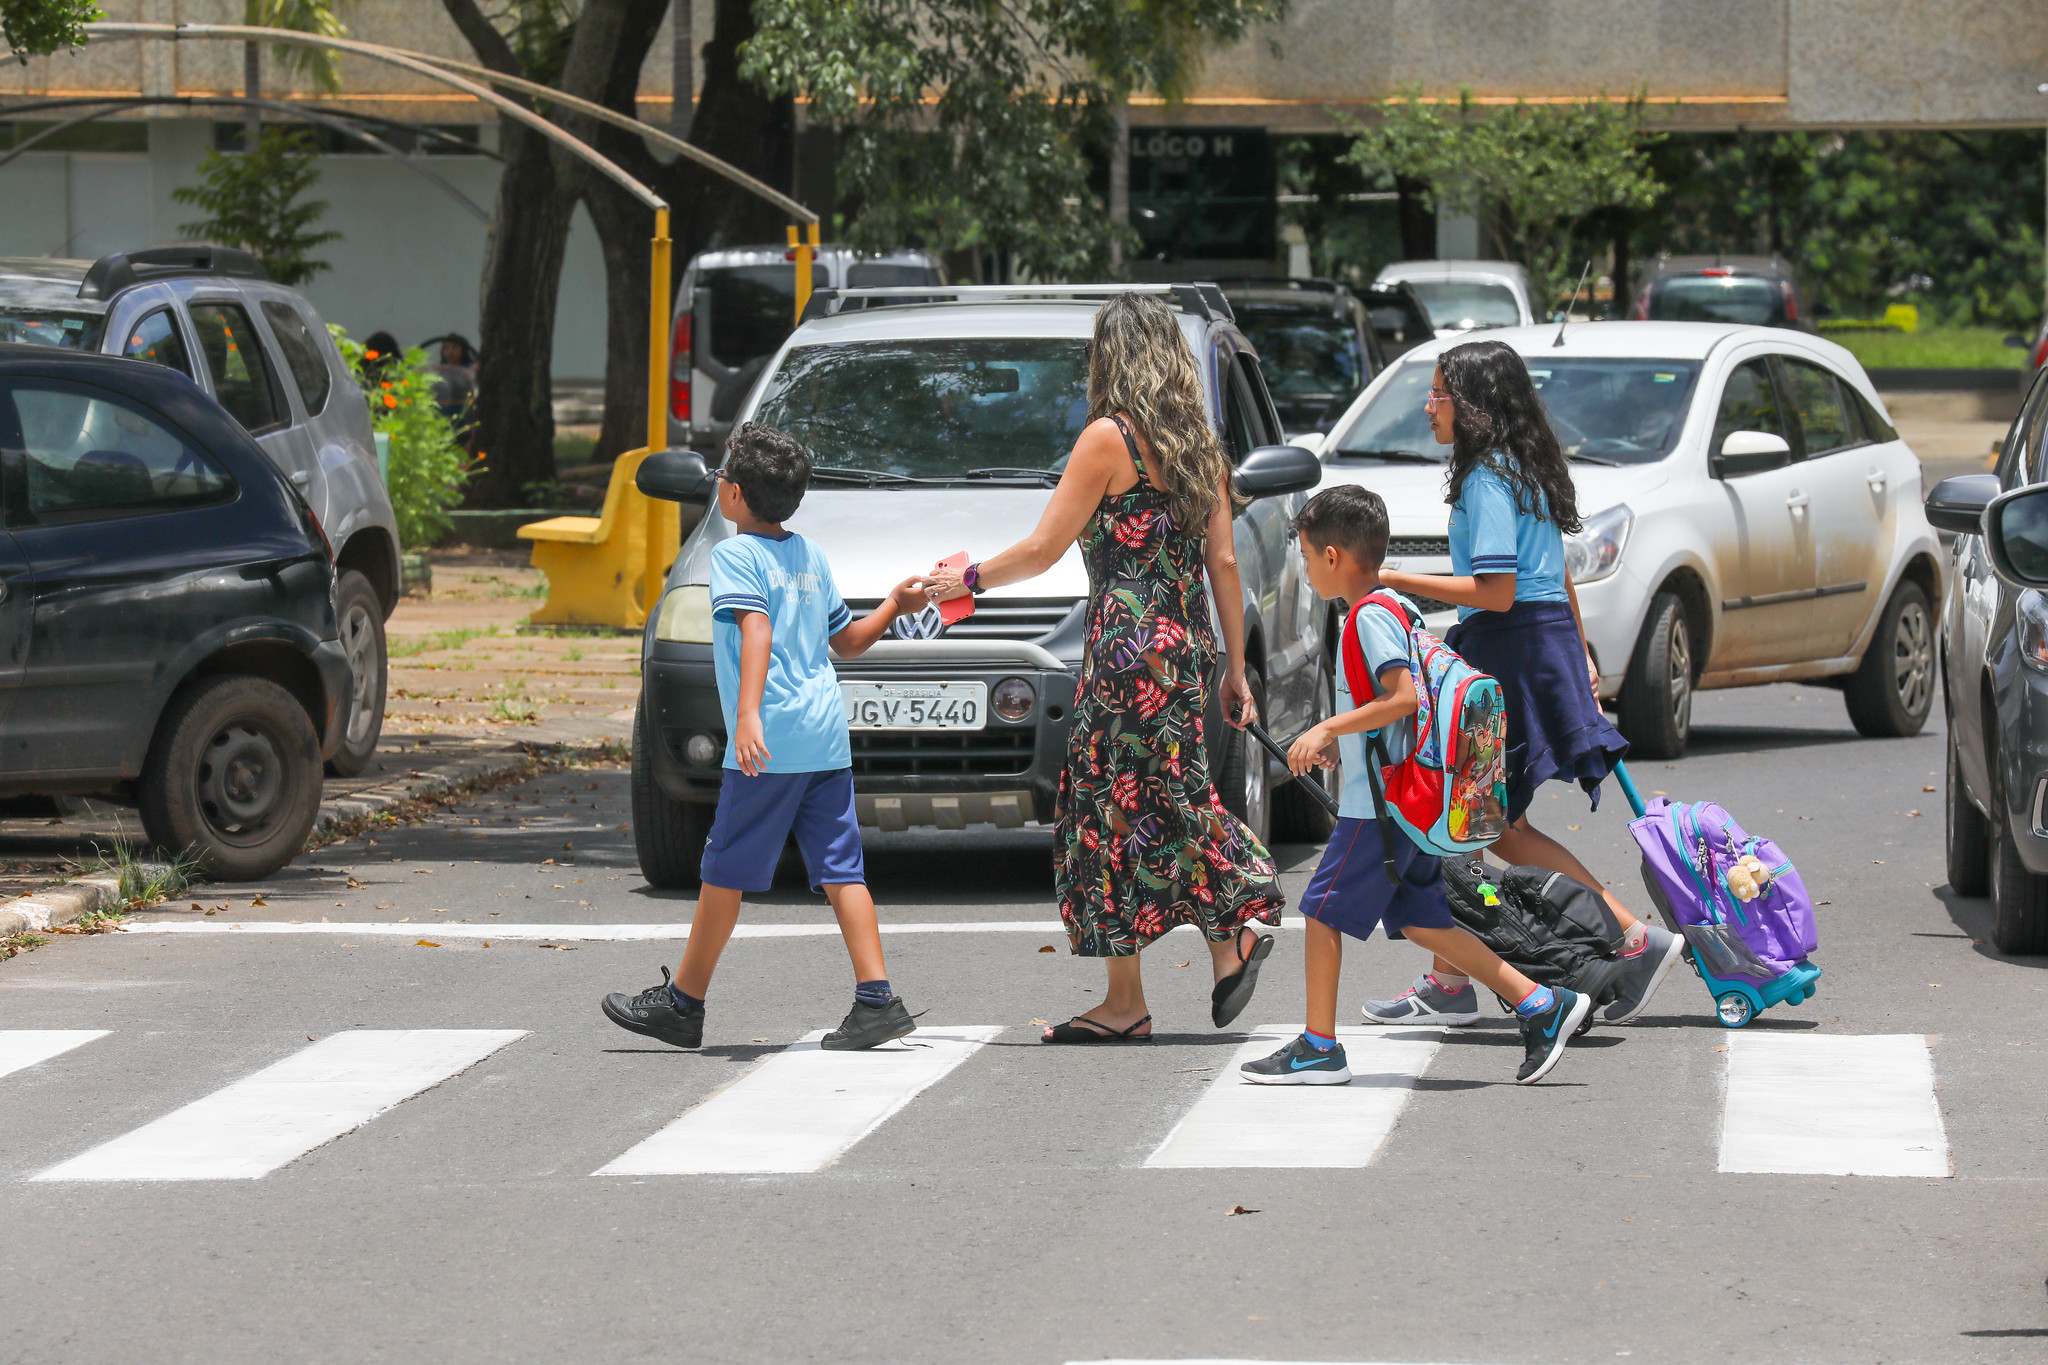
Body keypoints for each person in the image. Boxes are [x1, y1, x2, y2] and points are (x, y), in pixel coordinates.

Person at [924, 293, 1283, 1042]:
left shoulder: (1107, 439)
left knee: (1108, 809)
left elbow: (1044, 547)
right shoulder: (1199, 445)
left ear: (1112, 356)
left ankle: (1231, 915)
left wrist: (970, 580)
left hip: (1123, 655)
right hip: (1182, 652)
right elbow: (1224, 560)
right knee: (1156, 798)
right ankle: (1213, 951)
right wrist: (1235, 666)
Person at [1366, 339, 1684, 1028]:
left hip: (1507, 653)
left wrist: (1390, 578)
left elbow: (1498, 590)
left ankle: (1632, 935)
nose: (1429, 406)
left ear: (1473, 406)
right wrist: (1579, 653)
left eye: (1439, 394)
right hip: (1536, 646)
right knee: (1470, 824)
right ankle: (1451, 981)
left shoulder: (1487, 480)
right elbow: (1557, 578)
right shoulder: (1522, 467)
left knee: (1492, 826)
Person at [1239, 484, 1591, 1086]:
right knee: (1426, 920)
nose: (1303, 566)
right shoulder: (1395, 607)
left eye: (1304, 553)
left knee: (1322, 914)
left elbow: (1401, 698)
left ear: (1333, 558)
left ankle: (1319, 1047)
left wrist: (1327, 726)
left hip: (1376, 812)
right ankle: (1540, 1003)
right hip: (1399, 799)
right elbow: (1394, 712)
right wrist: (1347, 748)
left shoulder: (1367, 617)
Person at [600, 423, 929, 1051]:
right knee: (842, 873)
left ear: (732, 494)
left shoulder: (735, 555)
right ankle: (877, 999)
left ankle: (683, 1004)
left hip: (771, 740)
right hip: (825, 738)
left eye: (724, 476)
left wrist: (747, 714)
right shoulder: (810, 555)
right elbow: (848, 643)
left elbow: (755, 630)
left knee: (724, 871)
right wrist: (894, 604)